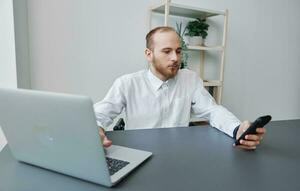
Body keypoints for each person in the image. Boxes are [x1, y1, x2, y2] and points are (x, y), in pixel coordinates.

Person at [94, 26, 265, 150]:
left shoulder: (189, 79)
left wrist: (237, 129)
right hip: (140, 154)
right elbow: (99, 114)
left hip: (179, 155)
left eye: (178, 51)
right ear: (149, 54)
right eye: (167, 51)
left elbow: (212, 111)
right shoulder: (127, 83)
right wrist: (97, 128)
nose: (175, 58)